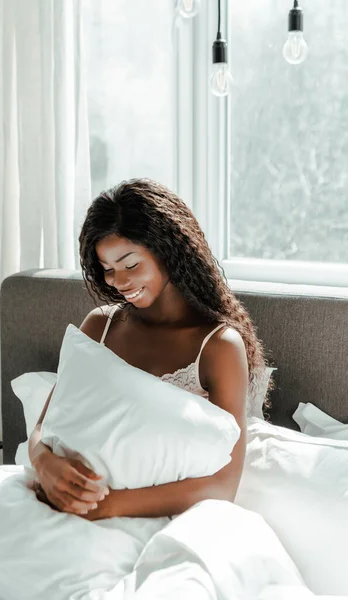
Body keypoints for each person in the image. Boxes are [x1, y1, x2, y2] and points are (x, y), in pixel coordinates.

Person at [28, 178, 268, 521]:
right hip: (60, 506)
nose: (120, 283)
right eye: (108, 270)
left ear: (167, 250)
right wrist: (45, 464)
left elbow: (223, 485)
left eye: (130, 264)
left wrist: (106, 507)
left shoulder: (217, 347)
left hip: (156, 520)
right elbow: (43, 426)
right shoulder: (100, 326)